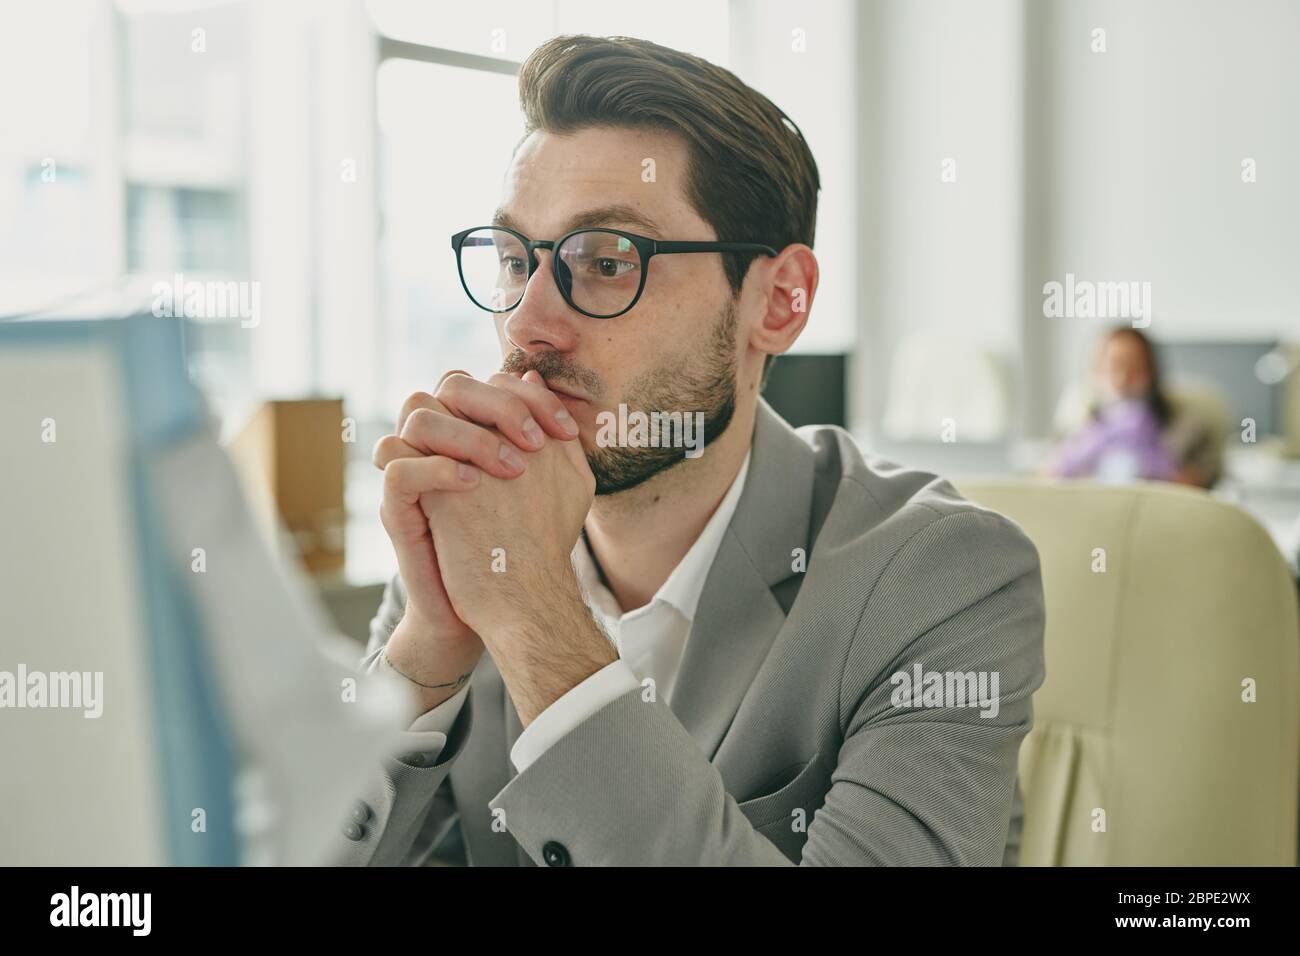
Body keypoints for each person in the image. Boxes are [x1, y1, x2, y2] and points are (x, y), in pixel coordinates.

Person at [336, 35, 1045, 867]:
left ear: (778, 301)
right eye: (514, 261)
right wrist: (425, 653)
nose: (527, 322)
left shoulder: (945, 577)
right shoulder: (474, 533)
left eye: (605, 261)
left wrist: (536, 618)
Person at [1049, 327, 1218, 486]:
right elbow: (1045, 479)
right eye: (1112, 367)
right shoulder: (1077, 424)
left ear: (1151, 372)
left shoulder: (1188, 425)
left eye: (1134, 367)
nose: (1122, 379)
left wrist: (1158, 463)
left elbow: (1203, 488)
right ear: (1095, 372)